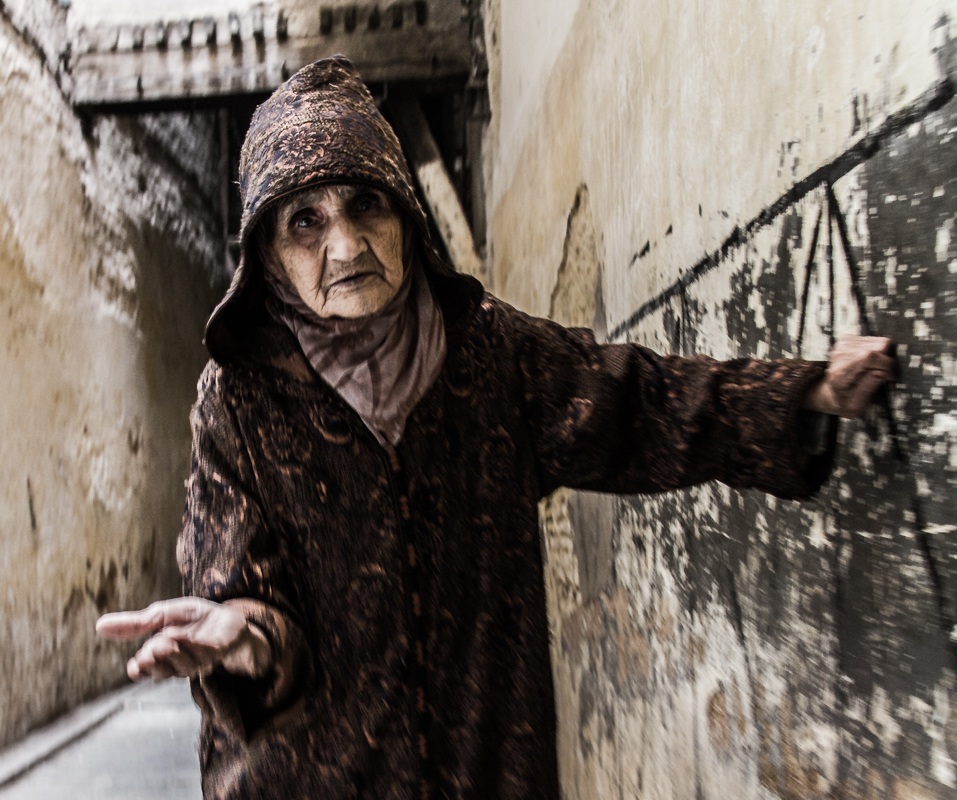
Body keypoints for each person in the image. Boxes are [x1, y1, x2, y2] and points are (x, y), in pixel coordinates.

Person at [96, 56, 894, 800]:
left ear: (407, 215)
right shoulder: (238, 401)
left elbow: (643, 404)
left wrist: (809, 392)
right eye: (304, 220)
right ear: (266, 255)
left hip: (487, 766)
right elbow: (238, 581)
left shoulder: (491, 355)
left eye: (366, 203)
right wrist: (245, 631)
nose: (344, 244)